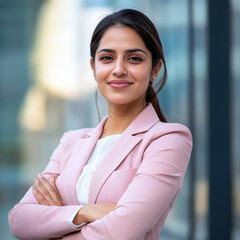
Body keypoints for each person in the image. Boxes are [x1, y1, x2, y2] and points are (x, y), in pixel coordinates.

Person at [9, 8, 192, 240]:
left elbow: (121, 232)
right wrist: (84, 213)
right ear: (94, 67)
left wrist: (54, 223)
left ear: (155, 69)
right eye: (107, 58)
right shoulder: (71, 142)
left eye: (134, 58)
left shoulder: (167, 139)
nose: (118, 69)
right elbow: (19, 219)